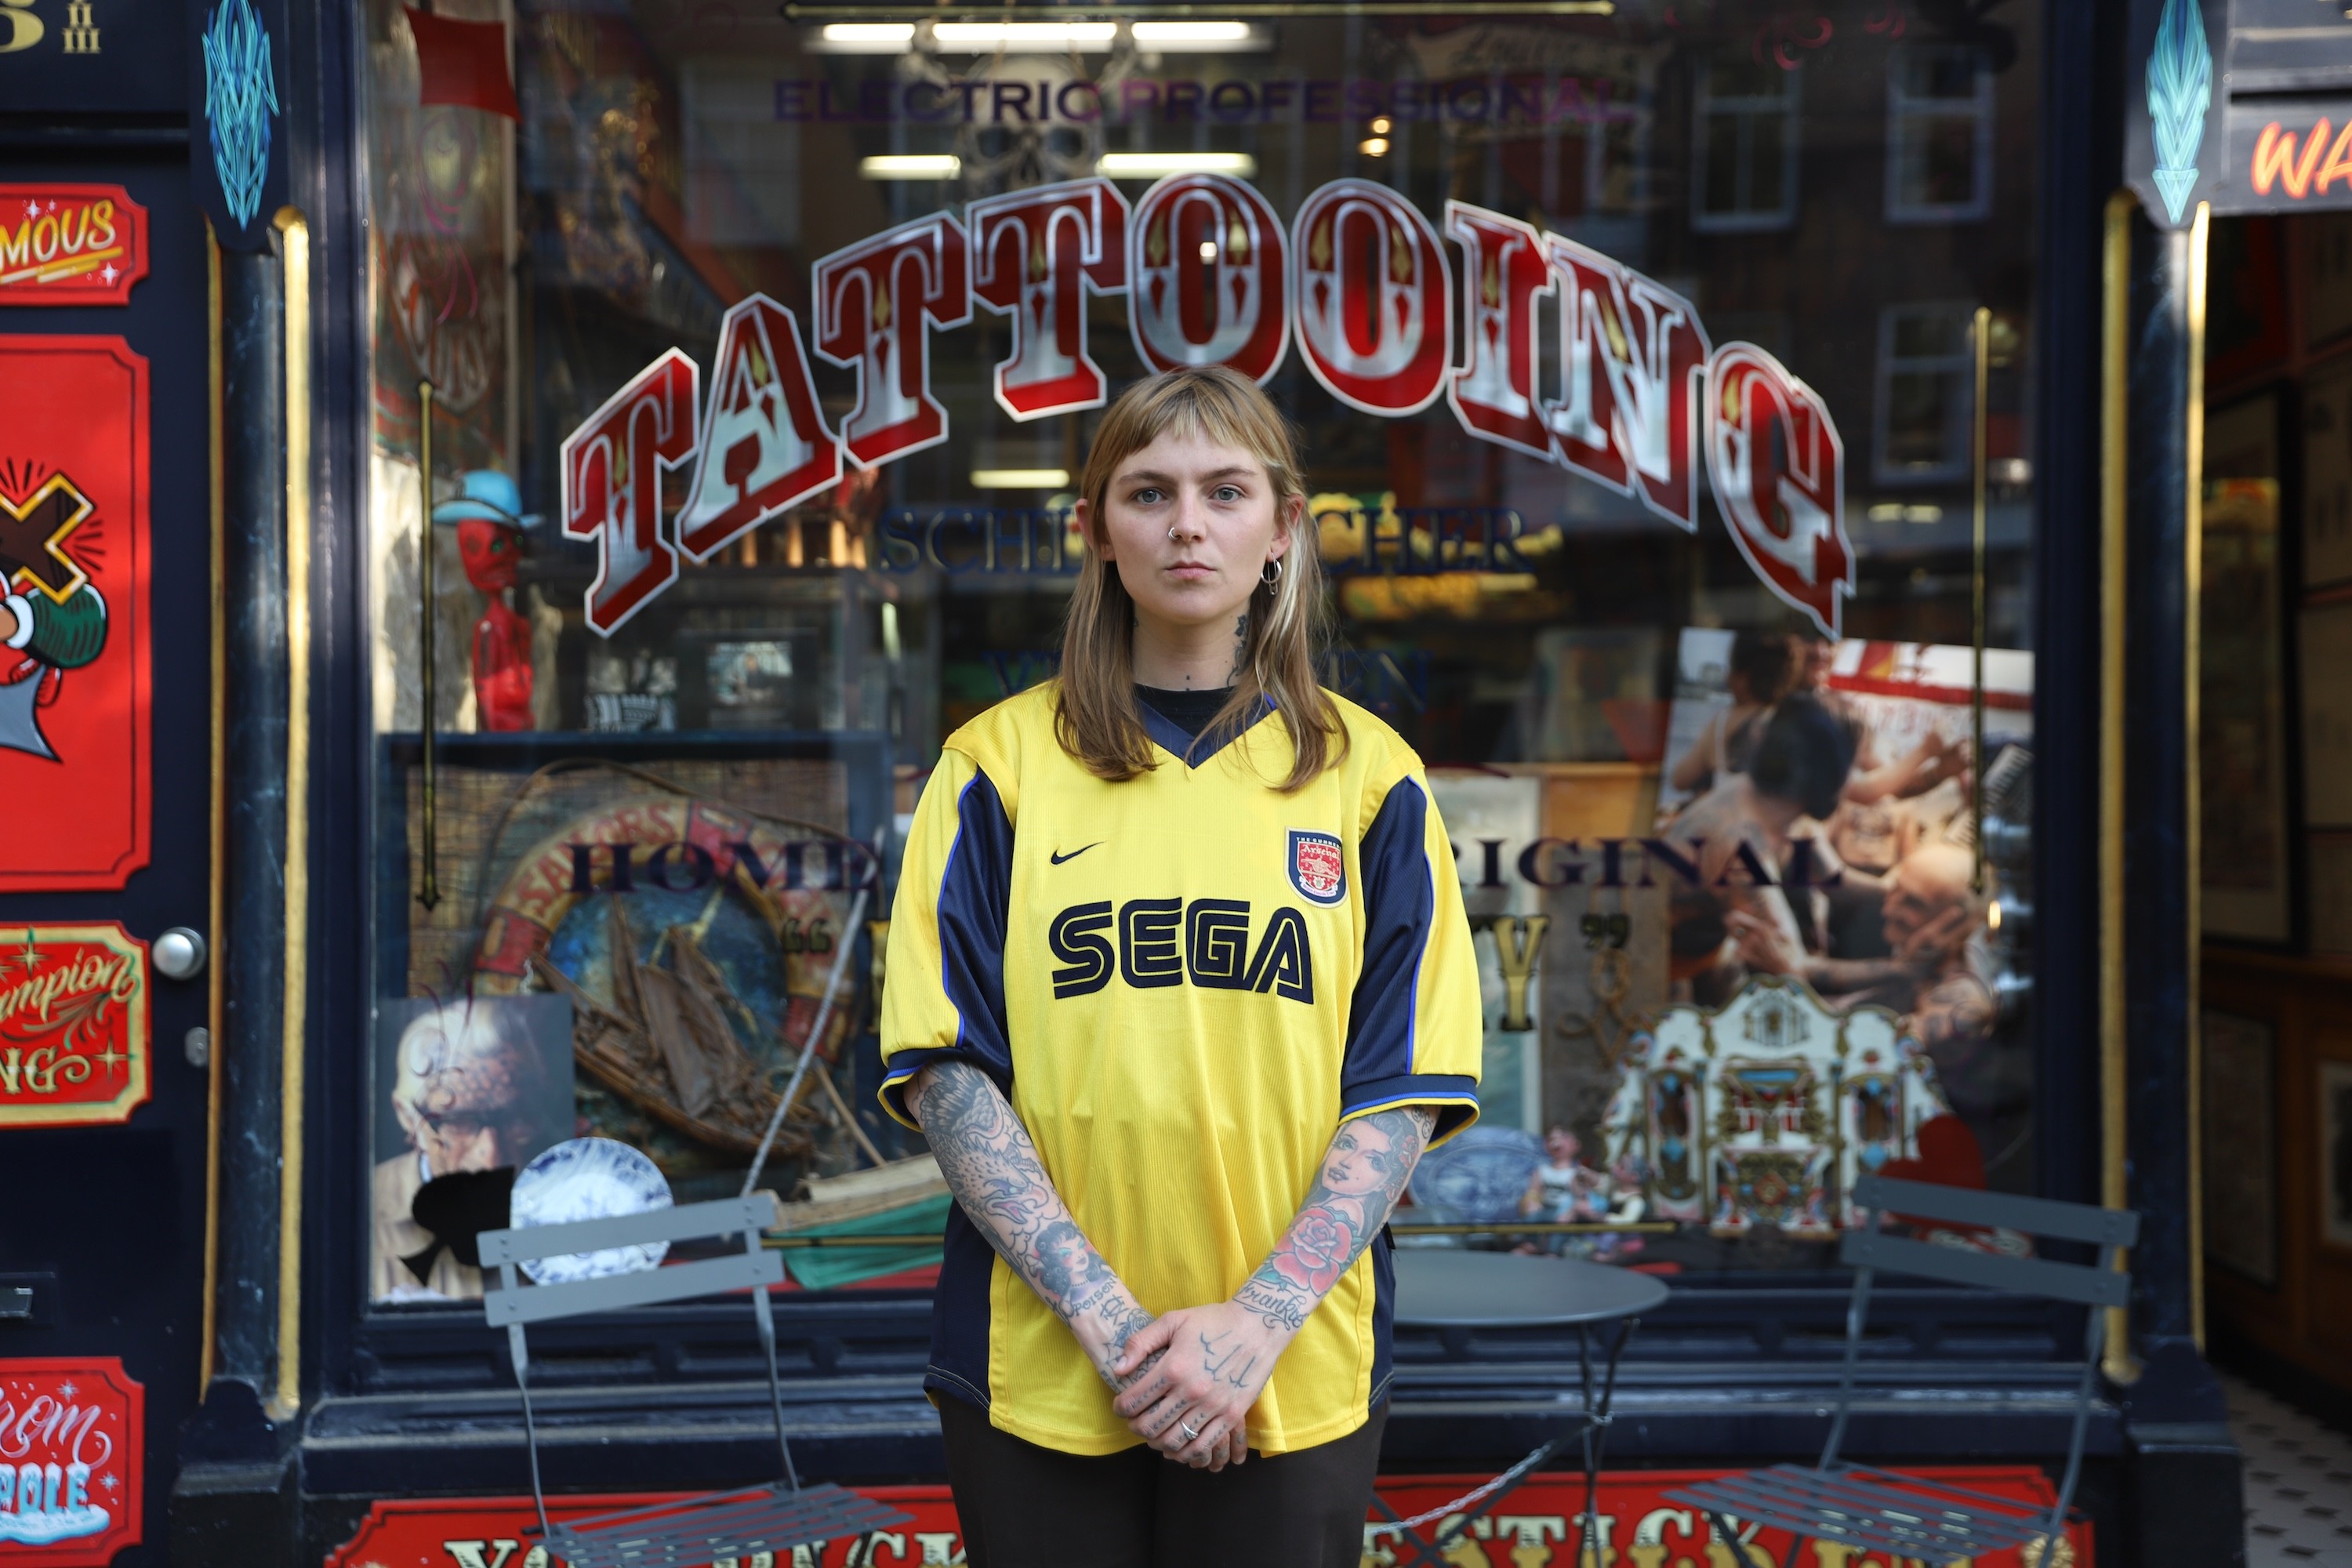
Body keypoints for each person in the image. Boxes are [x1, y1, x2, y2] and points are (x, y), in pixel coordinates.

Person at [878, 367, 1483, 1568]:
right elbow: (945, 1073)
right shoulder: (993, 768)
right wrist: (1115, 1328)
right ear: (1097, 531)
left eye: (1225, 490)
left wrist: (1255, 1324)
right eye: (1148, 493)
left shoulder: (1371, 779)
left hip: (1293, 1363)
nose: (1188, 524)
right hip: (1043, 1365)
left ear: (1282, 527)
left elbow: (1404, 1086)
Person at [1661, 692, 1857, 1006]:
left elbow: (1839, 882)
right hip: (1667, 980)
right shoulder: (1738, 844)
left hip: (1707, 958)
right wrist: (1904, 973)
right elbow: (1796, 974)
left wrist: (1901, 887)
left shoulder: (1767, 801)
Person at [369, 997, 561, 1302]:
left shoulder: (569, 1206)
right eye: (459, 1123)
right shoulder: (360, 1216)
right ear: (409, 1118)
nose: (491, 1158)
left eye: (513, 1118)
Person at [1666, 629, 1795, 797]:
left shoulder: (1723, 723)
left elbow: (1679, 779)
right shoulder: (1793, 721)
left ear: (1741, 678)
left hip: (1730, 819)